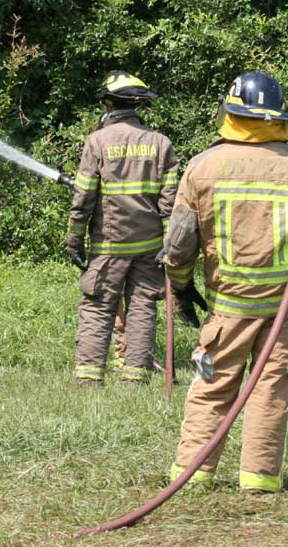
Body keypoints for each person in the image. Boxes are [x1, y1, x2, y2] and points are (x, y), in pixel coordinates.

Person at [164, 70, 288, 492]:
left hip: (228, 308)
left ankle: (192, 475)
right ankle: (259, 479)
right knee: (271, 391)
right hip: (285, 310)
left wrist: (181, 285)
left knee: (212, 386)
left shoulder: (202, 167)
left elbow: (179, 244)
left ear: (229, 114)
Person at [67, 71, 179, 387]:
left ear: (108, 104)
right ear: (137, 105)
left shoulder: (97, 142)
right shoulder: (161, 143)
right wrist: (169, 246)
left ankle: (89, 379)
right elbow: (170, 202)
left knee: (98, 306)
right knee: (143, 307)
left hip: (108, 246)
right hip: (150, 247)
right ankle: (134, 378)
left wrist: (74, 238)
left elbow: (84, 196)